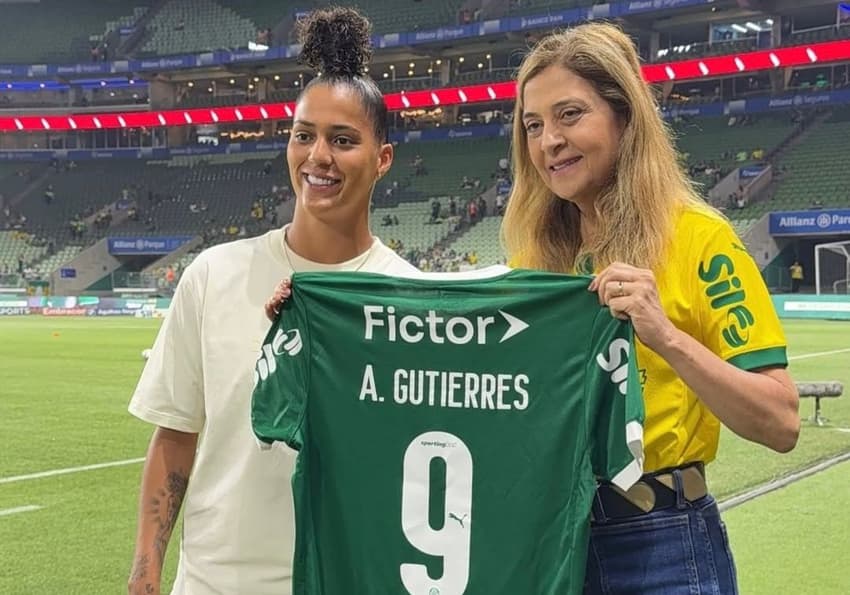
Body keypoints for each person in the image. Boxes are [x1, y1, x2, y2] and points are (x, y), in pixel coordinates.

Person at [127, 7, 417, 595]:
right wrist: (145, 568)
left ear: (383, 159)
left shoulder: (410, 297)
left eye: (343, 140)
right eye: (303, 135)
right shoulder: (214, 275)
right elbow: (176, 433)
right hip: (214, 584)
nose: (318, 157)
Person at [502, 22, 800, 594]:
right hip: (546, 537)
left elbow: (782, 423)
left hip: (661, 542)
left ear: (625, 117)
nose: (548, 142)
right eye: (533, 125)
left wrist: (664, 334)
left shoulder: (700, 239)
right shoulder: (532, 257)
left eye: (570, 115)